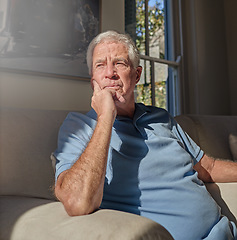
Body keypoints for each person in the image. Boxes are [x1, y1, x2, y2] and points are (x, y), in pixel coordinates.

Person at [53, 30, 237, 240]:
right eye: (100, 65)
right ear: (92, 80)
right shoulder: (78, 126)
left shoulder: (160, 117)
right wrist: (106, 116)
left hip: (226, 231)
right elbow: (78, 202)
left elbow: (208, 167)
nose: (110, 73)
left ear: (137, 74)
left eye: (120, 63)